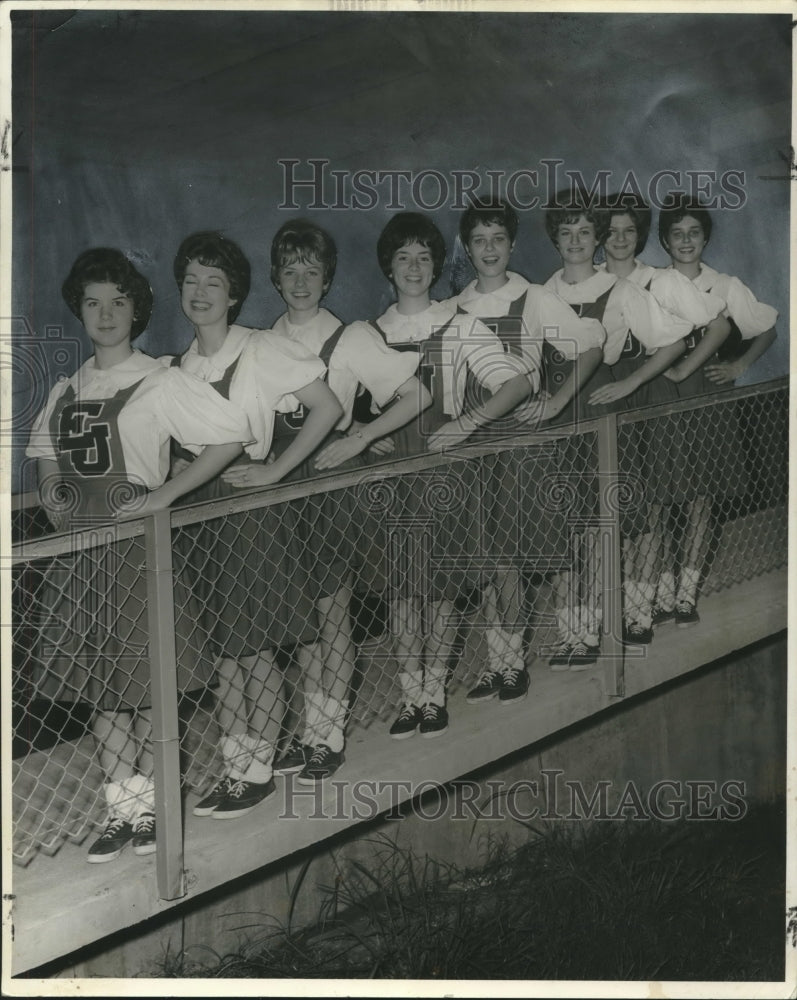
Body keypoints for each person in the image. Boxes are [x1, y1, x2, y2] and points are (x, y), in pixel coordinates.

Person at [26, 248, 253, 862]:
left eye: (118, 302)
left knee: (150, 690)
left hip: (137, 553)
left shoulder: (158, 380)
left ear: (137, 310)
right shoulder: (68, 385)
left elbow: (231, 435)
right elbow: (45, 450)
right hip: (82, 555)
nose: (105, 314)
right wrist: (52, 491)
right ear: (79, 310)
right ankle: (125, 812)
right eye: (93, 302)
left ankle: (156, 809)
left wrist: (167, 494)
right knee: (104, 693)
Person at [170, 231, 342, 819]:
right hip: (201, 511)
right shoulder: (181, 364)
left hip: (249, 506)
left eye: (213, 282)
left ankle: (260, 768)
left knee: (256, 645)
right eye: (191, 280)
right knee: (222, 647)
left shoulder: (261, 347)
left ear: (236, 293)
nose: (201, 292)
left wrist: (275, 472)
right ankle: (238, 763)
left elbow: (327, 408)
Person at [261, 218, 430, 783]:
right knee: (301, 618)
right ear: (276, 278)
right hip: (283, 487)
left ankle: (328, 735)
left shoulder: (351, 337)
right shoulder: (263, 342)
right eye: (291, 270)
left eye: (312, 270)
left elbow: (416, 393)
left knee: (331, 613)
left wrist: (361, 437)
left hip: (333, 486)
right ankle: (311, 729)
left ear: (327, 278)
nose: (301, 280)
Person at [361, 211, 535, 739]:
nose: (414, 267)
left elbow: (518, 386)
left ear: (437, 265)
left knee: (438, 593)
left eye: (424, 257)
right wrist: (369, 426)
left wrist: (467, 422)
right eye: (402, 257)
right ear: (388, 268)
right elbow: (342, 405)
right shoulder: (369, 333)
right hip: (391, 478)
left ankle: (433, 695)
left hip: (444, 473)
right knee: (400, 594)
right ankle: (410, 697)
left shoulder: (459, 325)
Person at [444, 198, 605, 701]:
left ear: (511, 244)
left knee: (527, 551)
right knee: (490, 558)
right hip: (473, 445)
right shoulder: (455, 308)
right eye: (479, 240)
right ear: (467, 249)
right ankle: (502, 661)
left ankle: (545, 649)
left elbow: (592, 345)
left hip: (522, 442)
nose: (489, 249)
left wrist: (557, 403)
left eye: (498, 239)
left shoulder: (534, 298)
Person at [543, 194, 693, 664]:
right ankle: (576, 632)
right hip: (558, 413)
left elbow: (673, 341)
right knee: (572, 524)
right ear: (555, 238)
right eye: (566, 232)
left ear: (598, 238)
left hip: (604, 405)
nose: (575, 242)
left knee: (623, 516)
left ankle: (633, 613)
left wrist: (630, 380)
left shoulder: (622, 290)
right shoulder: (542, 292)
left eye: (585, 232)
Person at [653, 196, 777, 627]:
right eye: (677, 233)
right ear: (665, 241)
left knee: (700, 498)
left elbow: (767, 328)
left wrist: (740, 364)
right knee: (660, 498)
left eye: (694, 232)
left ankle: (686, 594)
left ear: (705, 237)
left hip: (707, 396)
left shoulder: (725, 285)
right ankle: (663, 589)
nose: (686, 240)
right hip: (663, 397)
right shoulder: (654, 284)